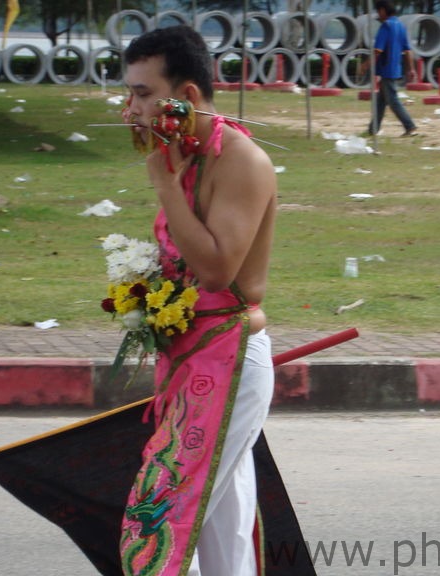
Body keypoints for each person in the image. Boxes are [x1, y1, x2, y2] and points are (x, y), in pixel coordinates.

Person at [119, 25, 279, 576]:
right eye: (129, 93)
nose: (131, 109)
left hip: (230, 361)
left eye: (142, 93)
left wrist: (165, 188)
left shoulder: (243, 161)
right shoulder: (182, 152)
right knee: (223, 534)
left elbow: (216, 272)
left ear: (185, 96)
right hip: (189, 360)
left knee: (159, 519)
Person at [365, 0, 418, 137]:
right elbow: (408, 50)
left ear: (383, 10)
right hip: (395, 68)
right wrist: (411, 69)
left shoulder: (386, 26)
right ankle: (373, 129)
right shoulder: (400, 26)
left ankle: (409, 125)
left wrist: (365, 64)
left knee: (393, 101)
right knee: (380, 101)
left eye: (378, 11)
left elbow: (378, 50)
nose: (378, 14)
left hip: (386, 68)